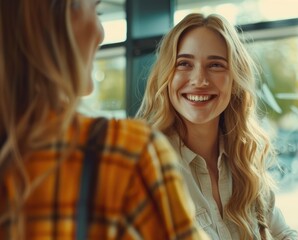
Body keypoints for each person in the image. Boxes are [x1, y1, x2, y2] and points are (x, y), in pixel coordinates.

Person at [0, 1, 207, 239]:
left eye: (215, 65)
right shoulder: (128, 156)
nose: (101, 33)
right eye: (94, 10)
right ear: (54, 20)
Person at [136, 13, 298, 240]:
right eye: (184, 63)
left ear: (235, 80)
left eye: (215, 65)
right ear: (167, 76)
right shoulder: (143, 165)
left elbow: (283, 234)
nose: (199, 79)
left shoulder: (245, 165)